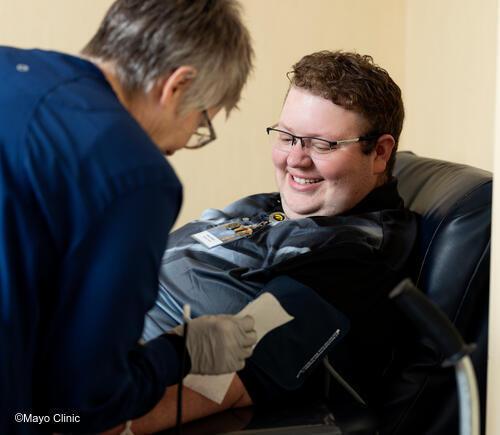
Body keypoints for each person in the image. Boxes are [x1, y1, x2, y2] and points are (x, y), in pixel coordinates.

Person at [103, 50, 419, 434]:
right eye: (287, 137)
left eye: (322, 145)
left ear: (380, 152)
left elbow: (222, 385)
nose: (295, 160)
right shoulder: (277, 209)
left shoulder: (352, 262)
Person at [0, 1, 257, 434]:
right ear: (178, 85)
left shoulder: (10, 67)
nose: (182, 143)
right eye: (201, 124)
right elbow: (80, 404)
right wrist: (181, 353)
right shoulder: (134, 172)